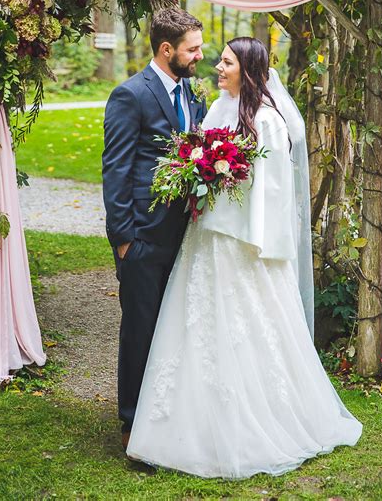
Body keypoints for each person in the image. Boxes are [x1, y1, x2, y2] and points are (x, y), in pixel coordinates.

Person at [126, 37, 362, 478]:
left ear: (248, 69)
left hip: (242, 242)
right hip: (206, 237)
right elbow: (199, 158)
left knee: (245, 328)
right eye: (219, 60)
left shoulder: (268, 121)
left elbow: (272, 192)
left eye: (227, 62)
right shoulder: (216, 109)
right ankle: (182, 423)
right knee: (194, 324)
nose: (217, 67)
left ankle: (255, 420)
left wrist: (256, 241)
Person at [102, 8, 206, 451]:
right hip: (143, 236)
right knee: (140, 329)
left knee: (174, 328)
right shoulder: (131, 95)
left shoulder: (191, 93)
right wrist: (124, 239)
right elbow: (117, 169)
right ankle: (131, 424)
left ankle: (166, 417)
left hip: (185, 233)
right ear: (167, 50)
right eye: (192, 49)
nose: (200, 55)